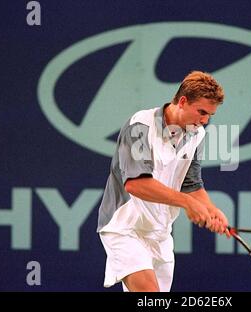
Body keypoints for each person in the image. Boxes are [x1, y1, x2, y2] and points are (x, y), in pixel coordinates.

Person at [96, 70, 229, 292]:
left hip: (160, 233)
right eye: (201, 112)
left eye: (209, 116)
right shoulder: (140, 126)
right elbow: (136, 185)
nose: (205, 121)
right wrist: (188, 204)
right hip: (125, 227)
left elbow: (190, 184)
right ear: (183, 101)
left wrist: (211, 209)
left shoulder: (197, 135)